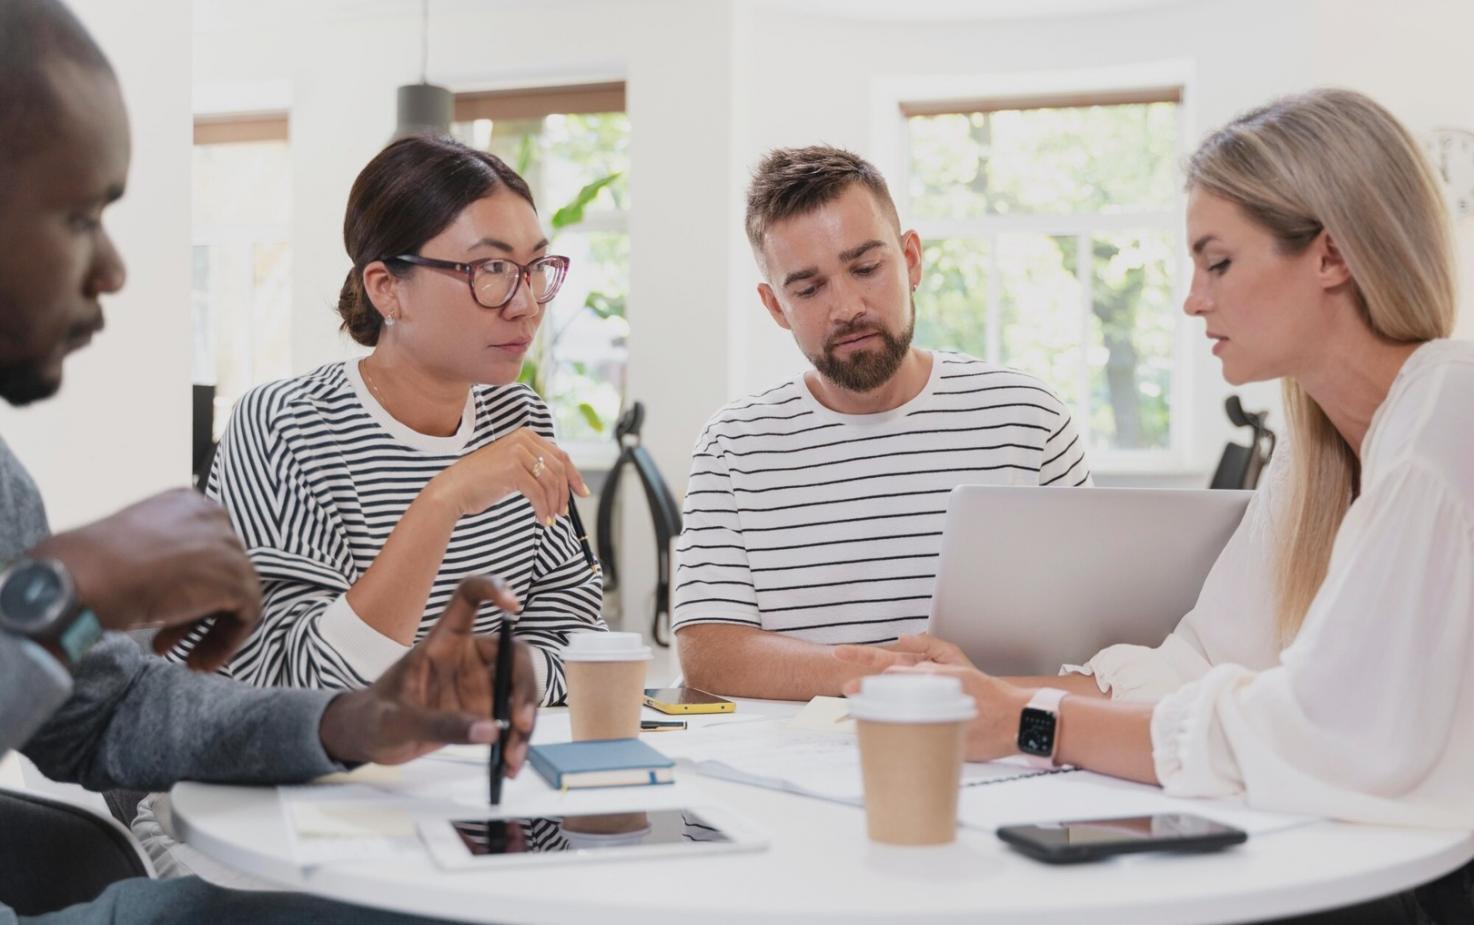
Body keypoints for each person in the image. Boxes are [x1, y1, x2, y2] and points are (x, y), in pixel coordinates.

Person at [841, 88, 1473, 923]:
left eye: (1217, 262)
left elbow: (1319, 732)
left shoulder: (1441, 430)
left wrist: (1034, 721)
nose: (1191, 300)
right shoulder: (1317, 457)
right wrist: (983, 691)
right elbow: (1200, 660)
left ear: (1331, 255)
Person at [0, 1, 537, 921]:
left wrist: (351, 720)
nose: (117, 269)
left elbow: (101, 718)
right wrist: (64, 593)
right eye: (82, 213)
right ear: (387, 287)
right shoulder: (283, 422)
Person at [169, 135, 604, 705]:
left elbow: (578, 642)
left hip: (448, 770)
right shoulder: (283, 425)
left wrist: (469, 678)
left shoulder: (519, 419)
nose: (525, 304)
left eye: (535, 268)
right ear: (386, 289)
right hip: (272, 782)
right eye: (492, 268)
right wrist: (444, 500)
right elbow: (289, 683)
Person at [673, 146, 1090, 701]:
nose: (846, 307)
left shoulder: (1028, 419)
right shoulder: (734, 445)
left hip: (993, 754)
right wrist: (886, 679)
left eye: (866, 268)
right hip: (799, 767)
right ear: (776, 307)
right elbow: (708, 653)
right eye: (808, 288)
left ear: (911, 259)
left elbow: (1094, 642)